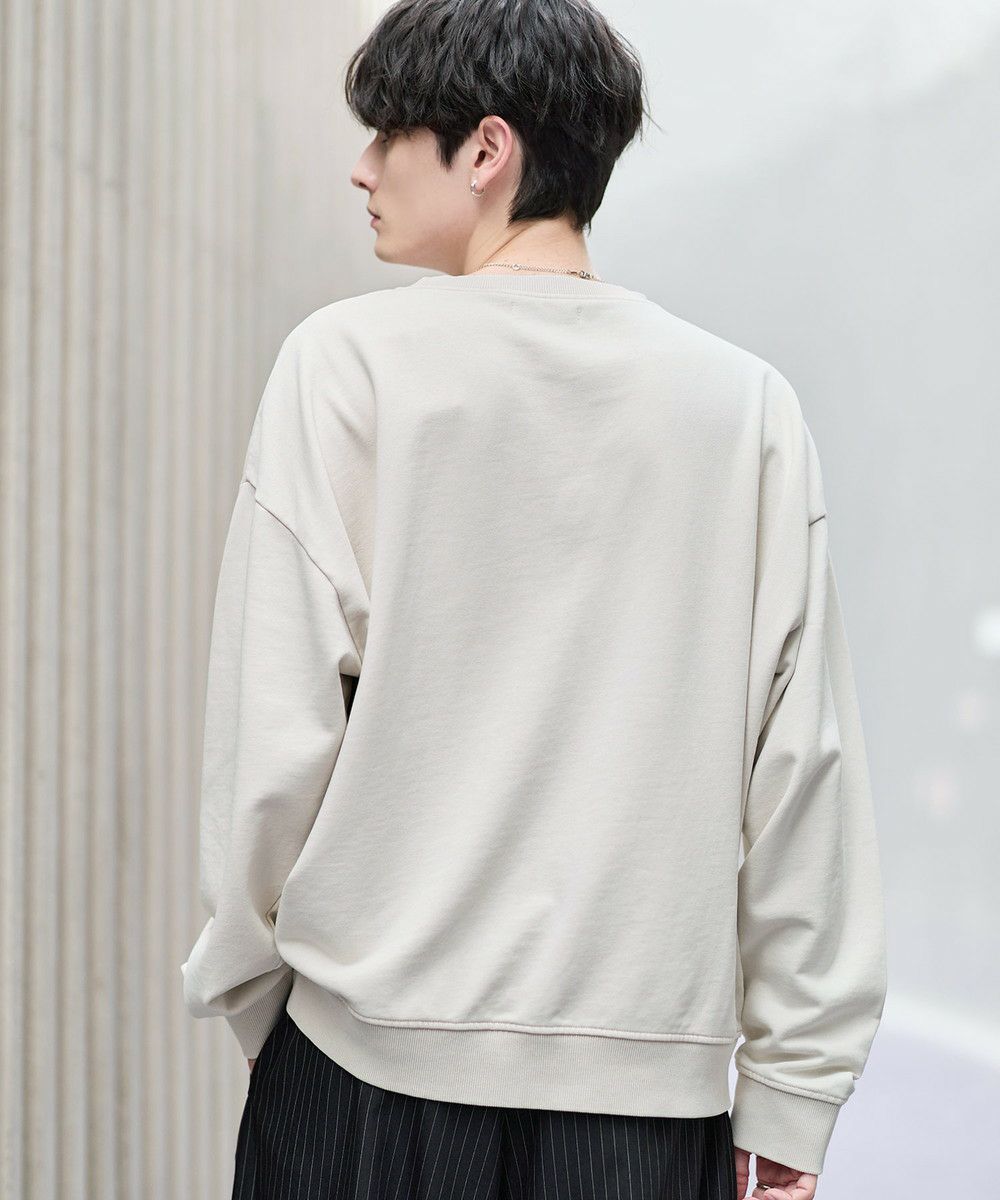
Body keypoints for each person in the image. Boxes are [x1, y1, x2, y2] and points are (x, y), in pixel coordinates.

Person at [180, 2, 888, 1198]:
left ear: (486, 150)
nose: (362, 168)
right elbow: (800, 772)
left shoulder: (345, 366)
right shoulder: (745, 409)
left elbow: (270, 740)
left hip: (365, 1068)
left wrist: (258, 994)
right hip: (643, 1108)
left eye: (389, 133)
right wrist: (793, 1091)